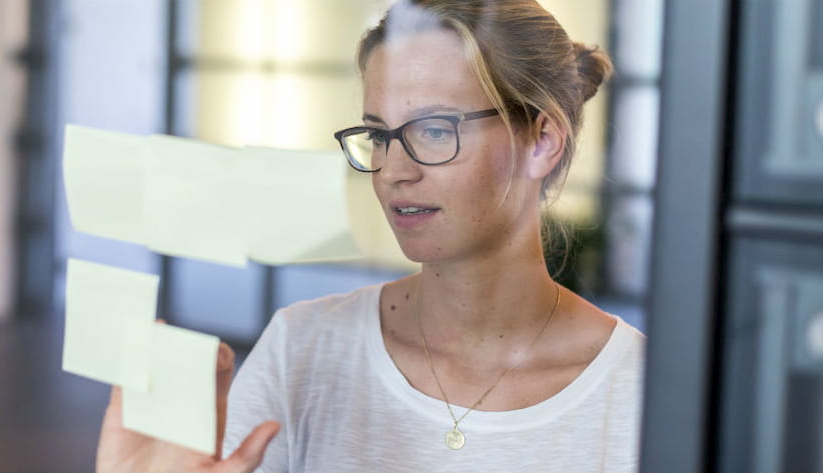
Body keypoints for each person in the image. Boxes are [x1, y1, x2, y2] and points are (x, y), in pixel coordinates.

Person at [96, 0, 645, 471]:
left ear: (542, 140)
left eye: (433, 129)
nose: (391, 171)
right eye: (379, 134)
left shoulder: (639, 392)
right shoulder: (301, 349)